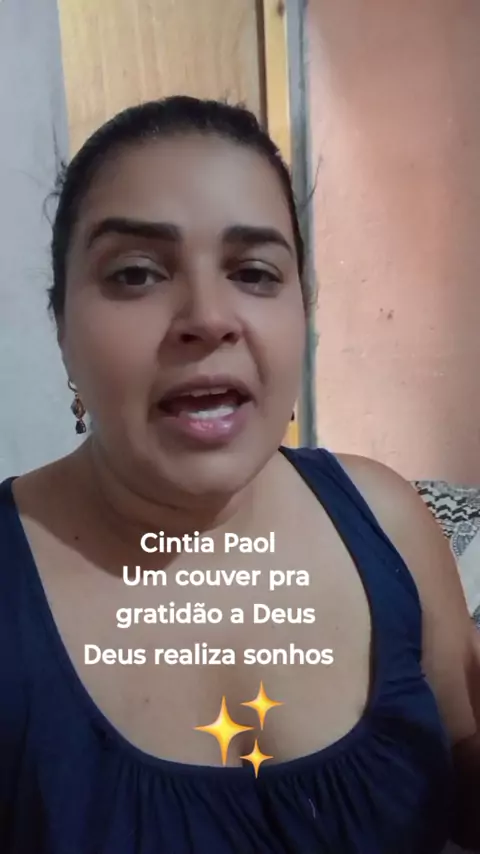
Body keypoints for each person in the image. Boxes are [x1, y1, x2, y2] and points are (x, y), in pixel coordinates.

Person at [0, 96, 479, 854]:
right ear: (61, 324)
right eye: (136, 273)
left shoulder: (388, 519)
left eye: (254, 273)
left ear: (302, 310)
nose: (209, 317)